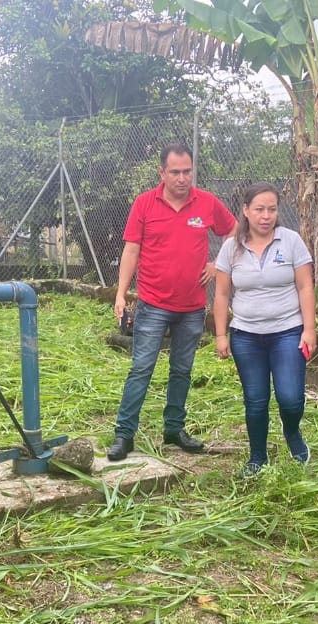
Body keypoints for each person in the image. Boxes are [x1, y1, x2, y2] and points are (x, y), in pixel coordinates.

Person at [107, 143, 237, 461]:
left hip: (192, 307)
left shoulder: (206, 202)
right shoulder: (144, 204)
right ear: (162, 172)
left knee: (182, 370)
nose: (182, 178)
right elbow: (131, 250)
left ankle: (174, 429)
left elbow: (234, 230)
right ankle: (124, 435)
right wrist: (121, 293)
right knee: (141, 368)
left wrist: (217, 263)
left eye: (187, 171)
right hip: (152, 304)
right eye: (175, 172)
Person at [212, 182, 316, 476]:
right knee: (256, 401)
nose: (266, 216)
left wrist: (309, 329)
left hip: (288, 331)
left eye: (272, 209)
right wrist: (221, 335)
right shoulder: (231, 247)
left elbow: (305, 286)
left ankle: (292, 431)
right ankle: (257, 456)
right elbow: (221, 294)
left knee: (290, 398)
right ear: (246, 211)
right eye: (259, 209)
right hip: (246, 336)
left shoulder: (291, 240)